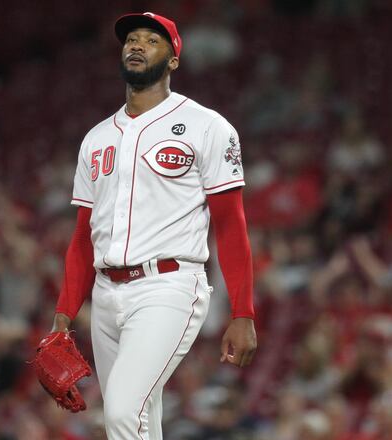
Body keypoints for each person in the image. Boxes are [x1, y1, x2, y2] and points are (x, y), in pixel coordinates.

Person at [47, 12, 257, 440]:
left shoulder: (207, 127)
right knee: (140, 419)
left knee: (124, 412)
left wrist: (242, 313)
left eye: (152, 40)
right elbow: (83, 237)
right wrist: (63, 316)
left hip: (168, 286)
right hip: (105, 296)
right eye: (131, 39)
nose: (137, 45)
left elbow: (231, 227)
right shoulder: (96, 138)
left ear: (174, 60)